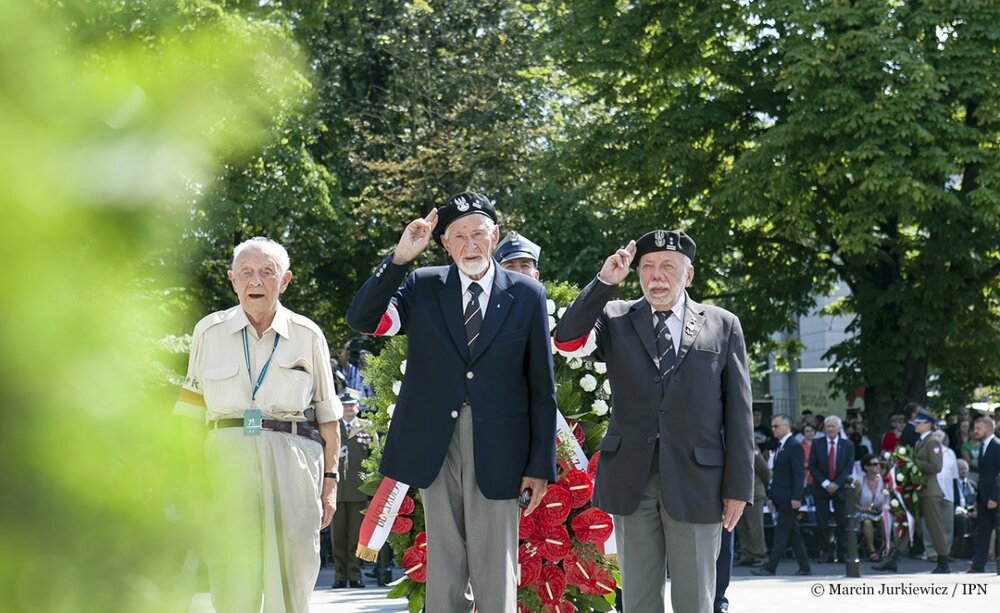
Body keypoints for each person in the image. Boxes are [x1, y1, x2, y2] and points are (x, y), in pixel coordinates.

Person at [346, 191, 557, 612]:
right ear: (444, 243)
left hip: (501, 446)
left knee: (496, 565)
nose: (470, 245)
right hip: (434, 443)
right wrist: (401, 257)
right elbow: (364, 319)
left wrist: (539, 465)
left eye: (478, 234)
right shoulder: (423, 286)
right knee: (444, 562)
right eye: (458, 236)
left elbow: (541, 386)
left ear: (494, 235)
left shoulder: (527, 293)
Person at [554, 230, 753, 613]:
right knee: (639, 601)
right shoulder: (614, 317)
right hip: (632, 480)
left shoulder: (723, 324)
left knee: (695, 600)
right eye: (647, 267)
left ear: (688, 275)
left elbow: (739, 413)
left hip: (698, 484)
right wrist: (604, 282)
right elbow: (566, 340)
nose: (656, 276)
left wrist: (739, 488)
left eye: (667, 267)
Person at [173, 236, 342, 613]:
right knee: (232, 572)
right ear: (232, 279)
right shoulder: (208, 332)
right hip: (225, 461)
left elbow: (329, 418)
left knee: (293, 574)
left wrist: (330, 483)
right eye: (246, 272)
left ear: (285, 281)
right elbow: (188, 418)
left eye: (268, 272)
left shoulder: (308, 334)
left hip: (294, 459)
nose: (256, 281)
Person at [875, 406, 950, 573]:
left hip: (929, 491)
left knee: (934, 526)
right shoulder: (921, 441)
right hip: (918, 490)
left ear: (928, 424)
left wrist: (912, 463)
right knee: (907, 522)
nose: (915, 424)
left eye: (919, 422)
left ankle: (944, 561)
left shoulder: (932, 442)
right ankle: (893, 558)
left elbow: (936, 467)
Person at [751, 414, 811, 576]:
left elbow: (798, 474)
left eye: (776, 426)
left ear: (787, 426)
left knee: (781, 533)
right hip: (780, 496)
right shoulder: (780, 446)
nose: (773, 429)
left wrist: (797, 498)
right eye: (772, 426)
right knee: (793, 533)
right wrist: (771, 497)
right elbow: (777, 475)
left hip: (789, 498)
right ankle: (805, 566)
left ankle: (771, 567)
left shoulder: (794, 446)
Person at [330, 390, 377, 589]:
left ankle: (355, 575)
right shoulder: (332, 427)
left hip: (358, 490)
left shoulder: (367, 428)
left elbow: (374, 458)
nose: (349, 408)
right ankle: (340, 576)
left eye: (352, 405)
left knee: (357, 535)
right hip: (337, 490)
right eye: (345, 405)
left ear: (358, 407)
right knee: (338, 535)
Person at [807, 415, 855, 563]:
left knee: (842, 521)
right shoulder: (817, 443)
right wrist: (826, 483)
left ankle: (842, 552)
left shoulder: (847, 445)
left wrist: (837, 484)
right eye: (828, 426)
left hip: (839, 488)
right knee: (822, 521)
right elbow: (812, 466)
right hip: (822, 487)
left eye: (834, 426)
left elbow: (849, 467)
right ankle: (826, 552)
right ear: (824, 428)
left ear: (839, 428)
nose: (831, 429)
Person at [967, 415, 999, 573]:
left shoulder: (997, 446)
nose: (975, 431)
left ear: (988, 428)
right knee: (982, 531)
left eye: (978, 428)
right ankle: (978, 565)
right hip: (983, 498)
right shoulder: (983, 447)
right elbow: (984, 476)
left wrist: (995, 496)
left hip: (994, 498)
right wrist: (977, 500)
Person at [923, 430, 958, 562]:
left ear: (944, 438)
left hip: (947, 492)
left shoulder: (950, 453)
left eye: (940, 435)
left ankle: (945, 552)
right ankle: (931, 552)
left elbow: (954, 475)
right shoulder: (926, 451)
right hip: (931, 491)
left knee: (947, 524)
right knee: (929, 523)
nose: (937, 437)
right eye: (935, 435)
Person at [734, 447, 770, 566]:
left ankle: (761, 555)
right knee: (741, 526)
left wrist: (761, 486)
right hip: (738, 493)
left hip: (753, 493)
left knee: (755, 526)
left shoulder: (750, 444)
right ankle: (747, 554)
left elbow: (764, 470)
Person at [855, 453, 888, 561]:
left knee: (884, 519)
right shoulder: (859, 482)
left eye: (879, 464)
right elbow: (853, 504)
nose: (878, 466)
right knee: (867, 522)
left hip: (878, 511)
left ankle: (885, 548)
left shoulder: (882, 481)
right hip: (863, 511)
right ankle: (872, 550)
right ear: (866, 467)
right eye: (874, 464)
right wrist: (865, 509)